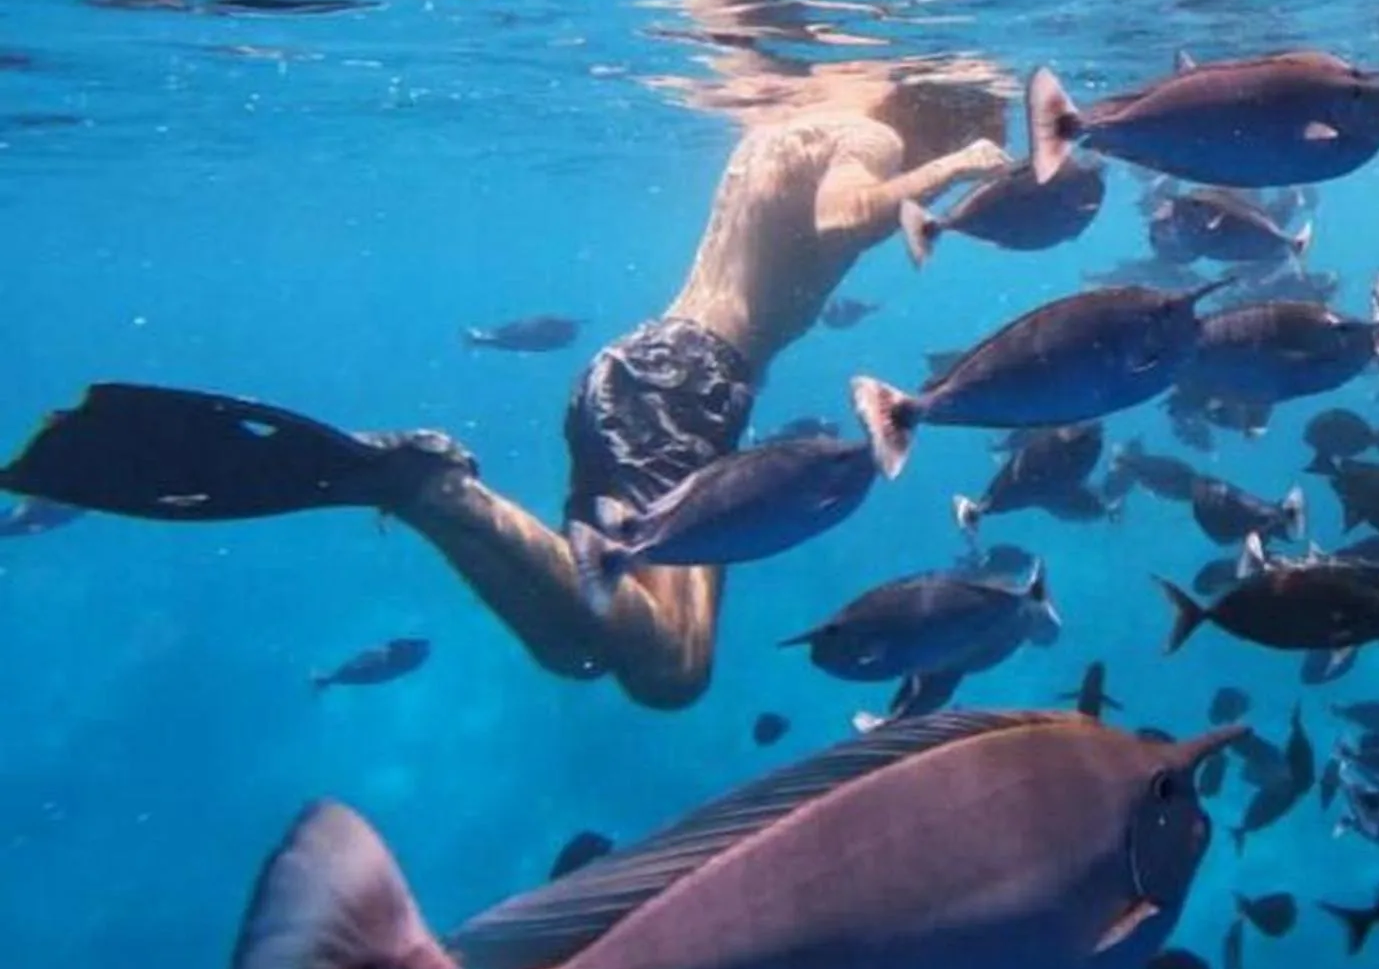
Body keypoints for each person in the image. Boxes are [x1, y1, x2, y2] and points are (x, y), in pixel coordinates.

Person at [0, 64, 1009, 709]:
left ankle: (434, 498)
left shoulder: (794, 118)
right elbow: (844, 221)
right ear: (937, 109)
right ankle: (429, 487)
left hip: (663, 374)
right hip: (682, 384)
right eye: (968, 127)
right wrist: (956, 166)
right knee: (668, 670)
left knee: (595, 653)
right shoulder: (870, 138)